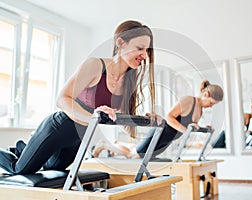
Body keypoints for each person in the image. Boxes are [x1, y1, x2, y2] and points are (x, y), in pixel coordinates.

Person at [0, 20, 156, 174]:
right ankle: (25, 150)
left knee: (52, 169)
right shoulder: (95, 65)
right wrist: (93, 117)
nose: (144, 55)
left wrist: (147, 120)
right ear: (121, 43)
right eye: (140, 48)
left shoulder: (128, 81)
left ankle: (23, 148)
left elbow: (121, 121)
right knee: (19, 169)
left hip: (79, 135)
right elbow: (62, 99)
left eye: (147, 50)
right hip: (59, 127)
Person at [92, 80, 224, 159]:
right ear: (205, 94)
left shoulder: (200, 109)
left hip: (169, 138)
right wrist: (184, 130)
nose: (211, 106)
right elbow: (169, 117)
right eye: (211, 102)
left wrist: (204, 128)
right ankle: (104, 144)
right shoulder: (189, 100)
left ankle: (115, 142)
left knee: (137, 151)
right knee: (135, 155)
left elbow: (190, 126)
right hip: (162, 133)